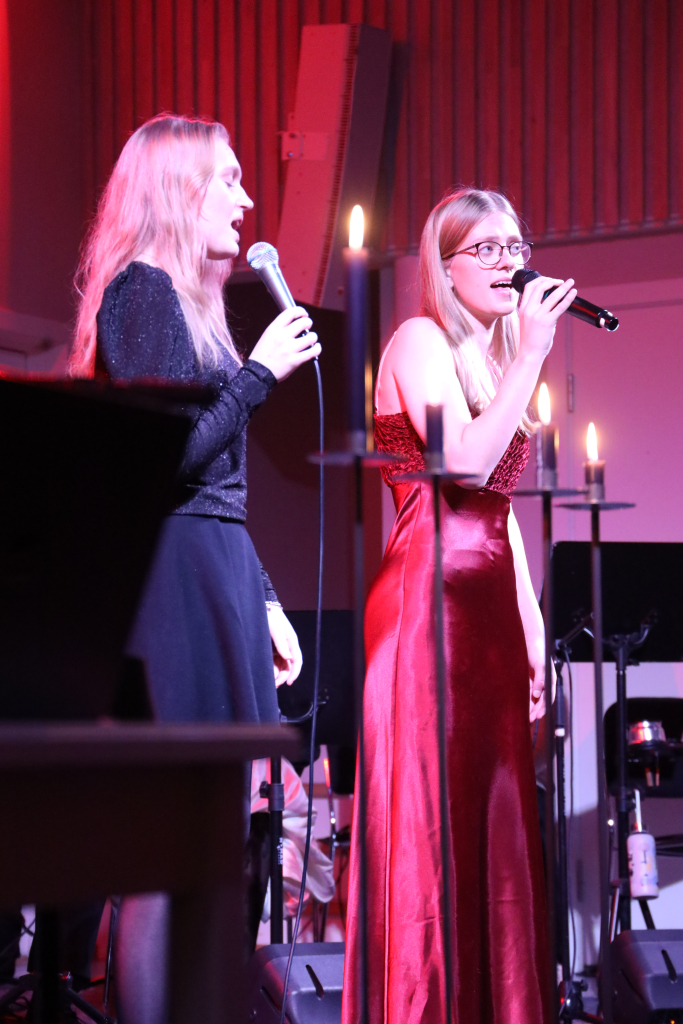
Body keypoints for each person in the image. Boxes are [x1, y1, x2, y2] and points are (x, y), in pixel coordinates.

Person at [69, 114, 320, 1023]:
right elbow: (164, 460)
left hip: (213, 564)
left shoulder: (188, 303)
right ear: (181, 191)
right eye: (231, 180)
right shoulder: (140, 291)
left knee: (216, 841)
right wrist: (258, 376)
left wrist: (263, 598)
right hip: (171, 579)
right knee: (169, 849)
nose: (247, 202)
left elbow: (218, 487)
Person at [341, 187, 577, 1024]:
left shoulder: (490, 356)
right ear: (444, 269)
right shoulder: (418, 342)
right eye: (487, 249)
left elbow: (497, 512)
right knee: (432, 825)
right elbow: (465, 468)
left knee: (496, 819)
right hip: (427, 608)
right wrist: (532, 356)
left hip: (487, 608)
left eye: (516, 247)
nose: (509, 263)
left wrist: (532, 626)